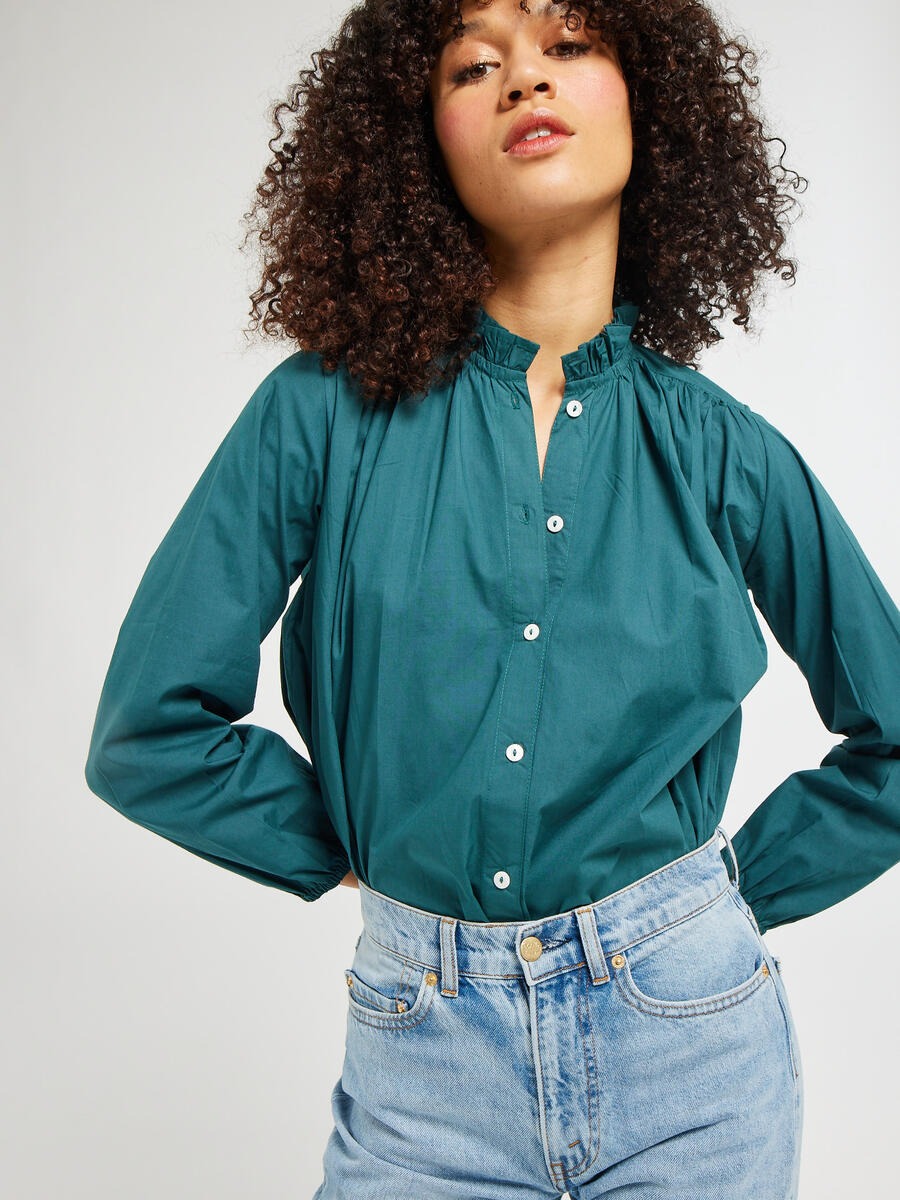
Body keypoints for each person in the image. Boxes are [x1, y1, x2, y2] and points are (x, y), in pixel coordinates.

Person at [84, 1, 900, 1196]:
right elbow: (147, 733)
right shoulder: (317, 416)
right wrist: (361, 844)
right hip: (424, 1075)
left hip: (695, 1055)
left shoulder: (727, 452)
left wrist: (719, 903)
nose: (526, 80)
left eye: (568, 47)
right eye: (477, 66)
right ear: (420, 147)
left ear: (652, 109)